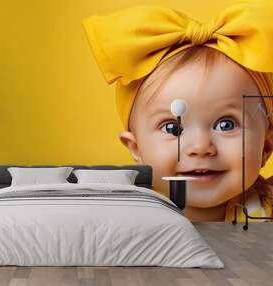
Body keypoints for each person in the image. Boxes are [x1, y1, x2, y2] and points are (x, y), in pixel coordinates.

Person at [83, 1, 273, 221]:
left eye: (226, 124)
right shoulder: (123, 221)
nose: (200, 147)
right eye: (173, 128)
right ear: (136, 148)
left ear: (266, 147)